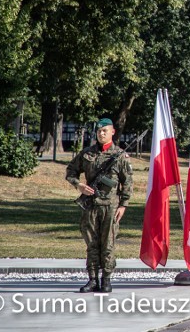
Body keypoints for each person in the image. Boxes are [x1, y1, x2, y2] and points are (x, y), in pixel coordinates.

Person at [66, 118, 133, 293]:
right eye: (98, 131)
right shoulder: (87, 153)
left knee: (108, 243)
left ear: (112, 132)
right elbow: (71, 171)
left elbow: (127, 183)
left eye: (105, 131)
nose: (101, 134)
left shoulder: (119, 156)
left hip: (110, 206)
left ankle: (107, 279)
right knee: (91, 244)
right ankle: (93, 279)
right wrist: (79, 185)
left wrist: (123, 205)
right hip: (91, 205)